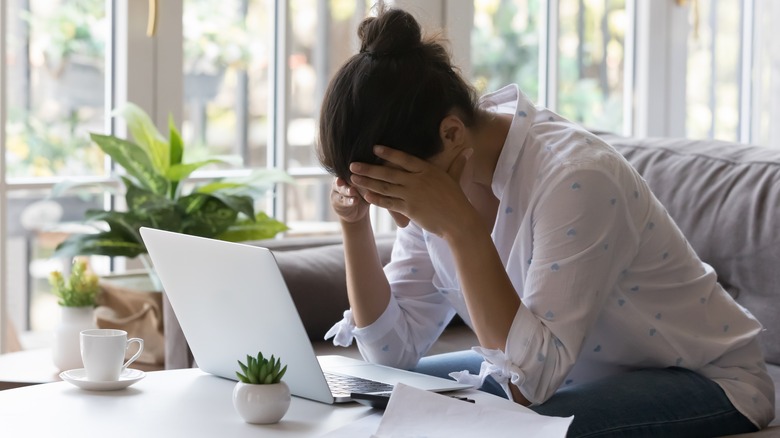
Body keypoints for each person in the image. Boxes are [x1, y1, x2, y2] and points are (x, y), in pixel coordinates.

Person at [316, 6, 774, 437]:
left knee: (497, 427)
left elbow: (526, 383)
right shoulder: (436, 170)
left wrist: (463, 230)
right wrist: (354, 226)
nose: (397, 215)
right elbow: (391, 354)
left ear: (452, 133)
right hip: (564, 372)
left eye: (392, 193)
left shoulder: (575, 177)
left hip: (703, 378)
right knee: (380, 389)